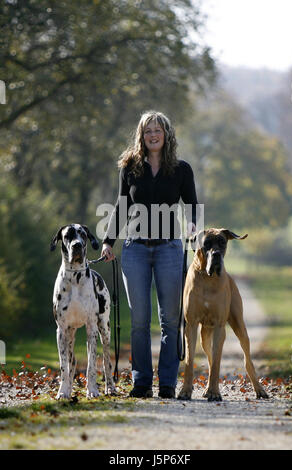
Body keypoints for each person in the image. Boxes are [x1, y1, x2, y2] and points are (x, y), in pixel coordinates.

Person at [101, 110, 198, 399]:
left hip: (169, 248)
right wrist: (108, 241)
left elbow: (191, 204)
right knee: (140, 320)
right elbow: (121, 208)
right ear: (141, 136)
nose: (153, 135)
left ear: (166, 135)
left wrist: (192, 225)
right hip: (136, 250)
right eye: (147, 131)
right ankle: (141, 382)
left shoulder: (182, 169)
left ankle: (167, 382)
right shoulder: (130, 168)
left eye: (158, 130)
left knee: (170, 320)